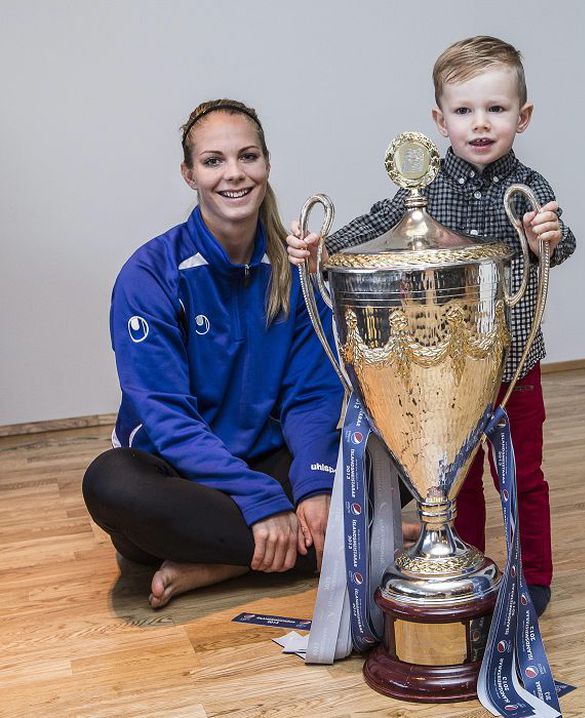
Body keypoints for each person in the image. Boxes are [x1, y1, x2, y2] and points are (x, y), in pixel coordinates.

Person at [287, 36, 576, 617]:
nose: (480, 124)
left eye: (496, 109)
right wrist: (321, 251)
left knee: (522, 475)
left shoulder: (531, 189)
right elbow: (371, 230)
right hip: (442, 372)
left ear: (523, 118)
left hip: (514, 360)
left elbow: (558, 245)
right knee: (454, 477)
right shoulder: (424, 189)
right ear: (439, 121)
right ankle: (461, 569)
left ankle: (533, 577)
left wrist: (548, 236)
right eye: (464, 111)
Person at [82, 99, 346, 609]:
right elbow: (166, 419)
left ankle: (220, 564)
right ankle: (331, 541)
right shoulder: (150, 273)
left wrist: (314, 486)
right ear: (189, 174)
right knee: (110, 483)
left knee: (381, 454)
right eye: (213, 161)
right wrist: (262, 501)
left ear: (267, 164)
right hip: (180, 476)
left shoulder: (295, 270)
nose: (234, 174)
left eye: (248, 157)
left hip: (268, 461)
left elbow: (311, 397)